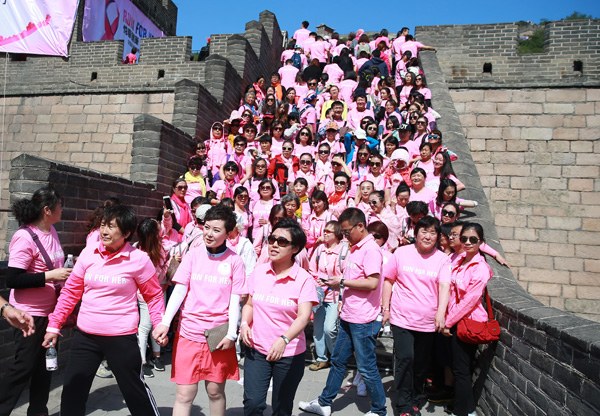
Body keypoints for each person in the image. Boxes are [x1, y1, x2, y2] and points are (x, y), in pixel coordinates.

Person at [43, 205, 165, 416]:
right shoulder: (89, 253)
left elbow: (153, 295)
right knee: (72, 392)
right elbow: (70, 292)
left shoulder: (138, 259)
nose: (104, 231)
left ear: (126, 233)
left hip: (121, 337)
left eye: (111, 226)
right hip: (86, 336)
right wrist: (54, 325)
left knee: (135, 393)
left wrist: (159, 323)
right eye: (102, 225)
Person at [153, 206, 247, 416]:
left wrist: (232, 333)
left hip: (218, 335)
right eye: (206, 227)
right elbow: (180, 289)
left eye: (216, 230)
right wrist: (165, 322)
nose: (209, 234)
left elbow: (235, 301)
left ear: (229, 233)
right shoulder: (193, 255)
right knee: (184, 394)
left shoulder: (235, 261)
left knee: (215, 391)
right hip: (189, 332)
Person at [300, 207, 387, 416]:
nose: (345, 235)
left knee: (366, 366)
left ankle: (379, 410)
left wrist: (342, 282)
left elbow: (373, 282)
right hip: (349, 314)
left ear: (360, 226)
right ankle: (324, 402)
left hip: (363, 319)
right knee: (338, 361)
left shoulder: (371, 250)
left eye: (347, 231)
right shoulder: (356, 248)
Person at [0, 186, 72, 416]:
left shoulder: (51, 231)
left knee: (45, 367)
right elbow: (13, 278)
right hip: (29, 314)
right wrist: (50, 276)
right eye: (60, 205)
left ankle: (38, 411)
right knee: (23, 368)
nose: (63, 209)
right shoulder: (24, 236)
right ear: (47, 209)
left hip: (51, 314)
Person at [241, 218, 317, 416]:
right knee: (253, 403)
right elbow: (249, 304)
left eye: (282, 241)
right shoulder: (259, 272)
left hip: (289, 353)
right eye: (272, 239)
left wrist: (284, 340)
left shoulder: (304, 279)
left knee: (282, 407)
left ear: (295, 248)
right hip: (256, 349)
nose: (274, 244)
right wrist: (244, 323)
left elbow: (304, 317)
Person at [382, 216, 451, 416]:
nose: (428, 236)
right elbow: (388, 280)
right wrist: (385, 308)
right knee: (405, 358)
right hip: (402, 316)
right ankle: (404, 405)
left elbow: (444, 286)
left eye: (432, 233)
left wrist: (440, 313)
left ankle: (415, 395)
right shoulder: (401, 253)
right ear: (416, 232)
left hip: (427, 321)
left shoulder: (442, 259)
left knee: (421, 364)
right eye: (424, 231)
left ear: (438, 236)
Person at [443, 223, 493, 416]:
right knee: (458, 367)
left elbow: (469, 300)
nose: (468, 243)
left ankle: (465, 411)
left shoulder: (480, 268)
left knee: (462, 369)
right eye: (464, 239)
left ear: (481, 242)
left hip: (467, 321)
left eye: (473, 240)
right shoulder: (459, 260)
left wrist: (448, 322)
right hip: (456, 319)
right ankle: (464, 407)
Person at [308, 220, 347, 371]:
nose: (325, 233)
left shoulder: (344, 252)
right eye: (324, 231)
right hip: (320, 294)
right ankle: (321, 358)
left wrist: (338, 282)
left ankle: (336, 357)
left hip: (335, 295)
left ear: (337, 234)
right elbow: (312, 270)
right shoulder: (319, 250)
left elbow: (347, 273)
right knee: (318, 330)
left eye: (328, 231)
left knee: (329, 329)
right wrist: (318, 281)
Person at [135, 218, 169, 379]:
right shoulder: (158, 251)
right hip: (151, 293)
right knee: (146, 326)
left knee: (154, 325)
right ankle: (144, 361)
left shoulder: (137, 250)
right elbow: (160, 274)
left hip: (149, 292)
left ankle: (155, 357)